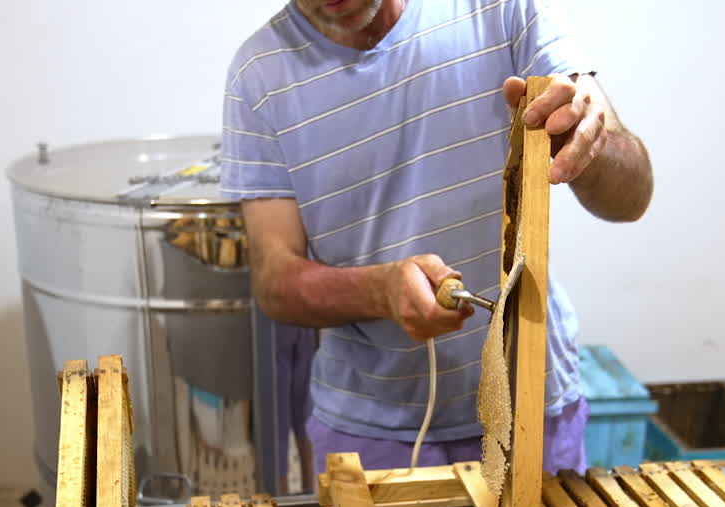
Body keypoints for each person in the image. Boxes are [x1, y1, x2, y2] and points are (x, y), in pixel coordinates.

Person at [221, 0, 653, 476]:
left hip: (533, 411)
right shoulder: (258, 74)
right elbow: (275, 280)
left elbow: (630, 197)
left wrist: (590, 147)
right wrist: (380, 289)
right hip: (370, 432)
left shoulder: (504, 10)